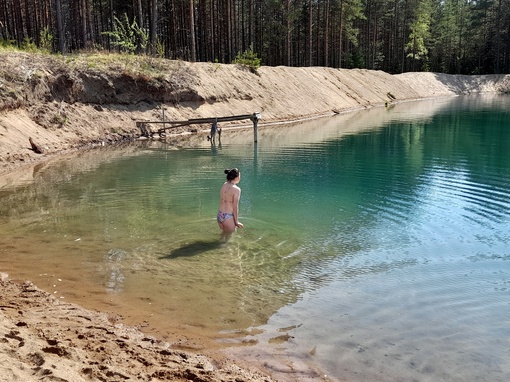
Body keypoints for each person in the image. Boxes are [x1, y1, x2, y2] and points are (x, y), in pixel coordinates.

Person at [217, 168, 244, 238]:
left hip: (220, 215)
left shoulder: (224, 184)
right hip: (228, 217)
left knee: (223, 236)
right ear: (237, 177)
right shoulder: (237, 190)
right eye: (240, 176)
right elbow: (235, 207)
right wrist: (236, 222)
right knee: (228, 241)